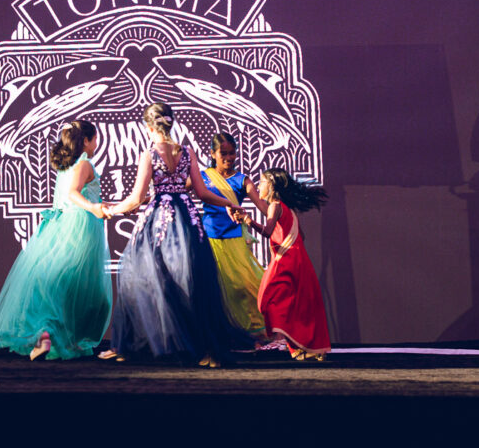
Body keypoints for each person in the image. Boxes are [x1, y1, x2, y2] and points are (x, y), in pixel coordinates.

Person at [100, 103, 250, 367]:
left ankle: (136, 346)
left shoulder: (149, 154)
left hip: (158, 220)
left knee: (145, 278)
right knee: (193, 280)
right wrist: (230, 203)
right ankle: (205, 351)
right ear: (171, 124)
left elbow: (136, 198)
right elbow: (202, 194)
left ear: (148, 127)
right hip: (186, 218)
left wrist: (110, 210)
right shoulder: (186, 152)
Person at [0, 120, 112, 361]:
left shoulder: (66, 165)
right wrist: (93, 207)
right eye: (95, 139)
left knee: (61, 279)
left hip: (62, 224)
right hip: (78, 225)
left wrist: (99, 206)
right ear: (86, 141)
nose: (97, 144)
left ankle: (55, 335)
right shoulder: (84, 164)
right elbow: (73, 193)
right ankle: (48, 332)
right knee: (72, 281)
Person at [230, 168, 331, 361]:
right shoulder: (287, 208)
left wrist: (248, 220)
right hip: (297, 258)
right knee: (291, 303)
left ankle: (281, 340)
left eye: (262, 182)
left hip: (285, 260)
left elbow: (267, 232)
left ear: (272, 186)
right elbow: (301, 235)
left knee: (268, 299)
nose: (258, 186)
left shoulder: (275, 206)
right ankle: (297, 346)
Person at [200, 133, 268, 340]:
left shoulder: (242, 180)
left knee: (245, 286)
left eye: (232, 153)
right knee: (214, 288)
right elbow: (176, 190)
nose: (229, 158)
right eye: (224, 154)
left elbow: (262, 205)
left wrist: (281, 215)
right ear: (212, 154)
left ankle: (256, 330)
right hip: (209, 239)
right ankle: (219, 334)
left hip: (235, 238)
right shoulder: (202, 177)